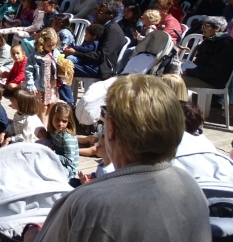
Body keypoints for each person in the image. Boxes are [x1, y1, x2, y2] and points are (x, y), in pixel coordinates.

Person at [27, 75, 211, 242]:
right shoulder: (192, 188)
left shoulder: (86, 203)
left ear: (112, 128)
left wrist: (30, 231)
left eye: (104, 113)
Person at [62, 0, 127, 79]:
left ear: (110, 16)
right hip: (91, 61)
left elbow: (102, 56)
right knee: (57, 62)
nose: (95, 13)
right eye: (96, 9)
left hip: (101, 68)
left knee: (62, 67)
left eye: (100, 12)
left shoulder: (113, 31)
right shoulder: (101, 26)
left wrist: (76, 53)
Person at [182, 15, 233, 91]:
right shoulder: (209, 41)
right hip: (200, 76)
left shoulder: (226, 45)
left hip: (211, 81)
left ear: (217, 28)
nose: (202, 28)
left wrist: (189, 72)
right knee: (169, 75)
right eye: (203, 25)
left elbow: (215, 71)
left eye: (206, 25)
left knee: (172, 81)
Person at [25, 28, 61, 123]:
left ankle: (44, 120)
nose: (52, 47)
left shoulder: (55, 53)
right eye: (49, 45)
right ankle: (42, 127)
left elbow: (59, 66)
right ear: (42, 42)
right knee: (43, 107)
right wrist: (31, 85)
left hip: (52, 85)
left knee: (53, 104)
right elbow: (29, 71)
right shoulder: (35, 56)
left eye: (54, 44)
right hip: (41, 86)